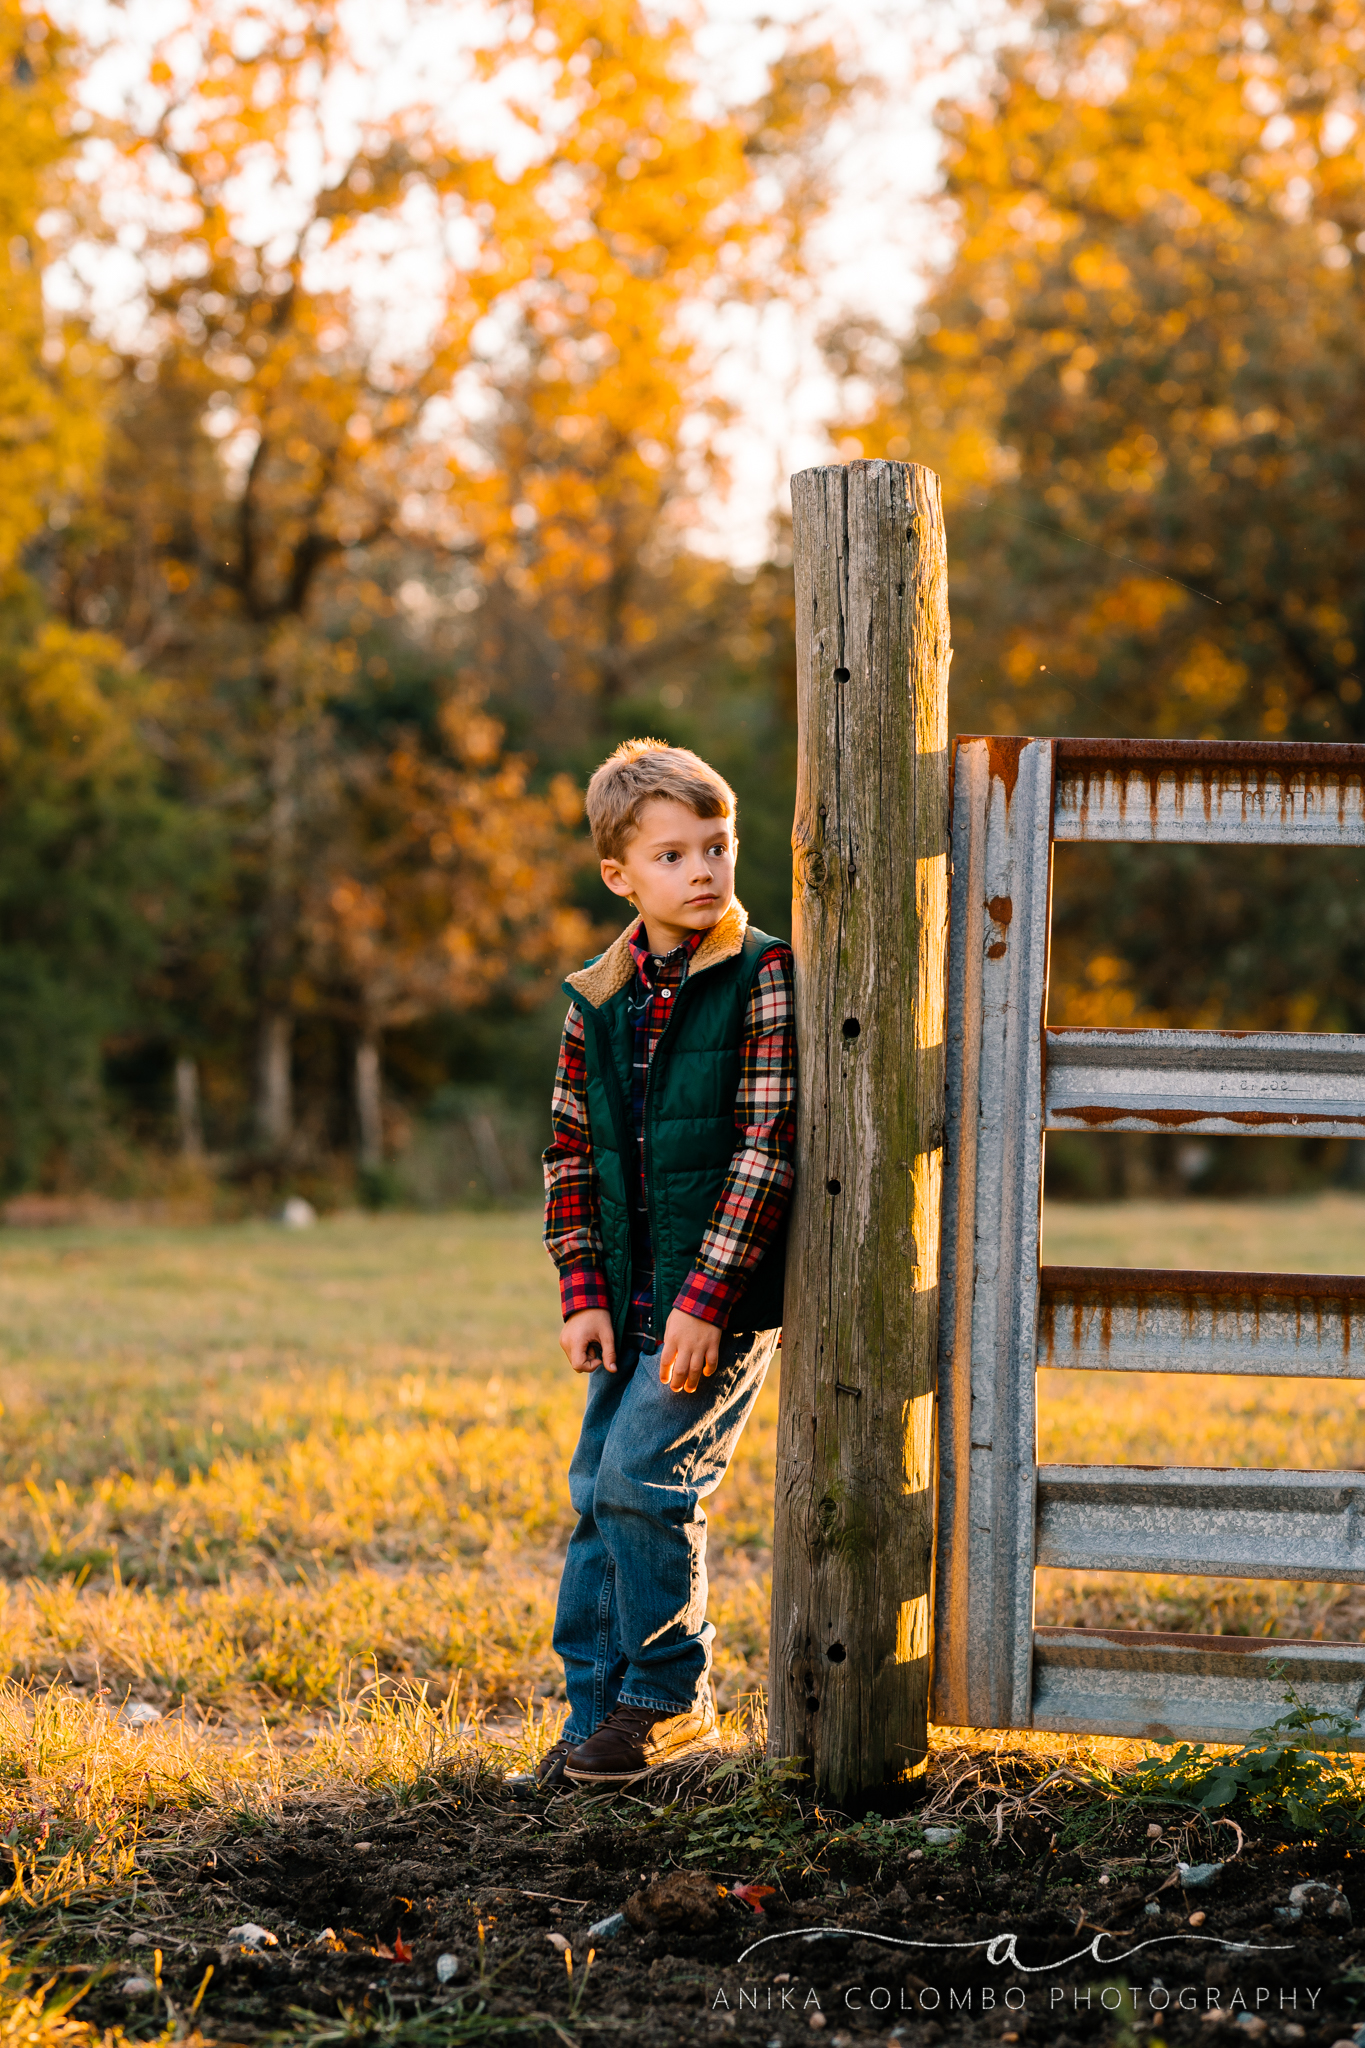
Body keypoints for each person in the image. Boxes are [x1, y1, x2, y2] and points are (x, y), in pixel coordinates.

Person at [537, 739, 796, 1791]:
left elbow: (766, 1146)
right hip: (628, 1295)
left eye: (717, 846)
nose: (704, 871)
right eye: (673, 854)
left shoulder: (761, 973)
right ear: (620, 875)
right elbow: (569, 1151)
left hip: (715, 1301)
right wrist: (583, 1293)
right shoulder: (597, 997)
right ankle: (592, 1720)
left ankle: (667, 1701)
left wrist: (706, 1301)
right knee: (596, 1493)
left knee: (646, 1480)